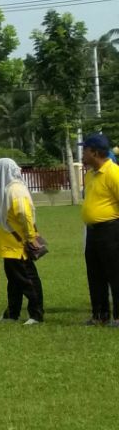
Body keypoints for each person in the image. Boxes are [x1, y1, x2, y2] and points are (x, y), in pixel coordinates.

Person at [0, 158, 44, 325]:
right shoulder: (9, 189)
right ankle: (12, 313)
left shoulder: (16, 190)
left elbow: (24, 214)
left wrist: (30, 237)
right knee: (14, 281)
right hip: (9, 245)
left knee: (27, 280)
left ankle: (36, 314)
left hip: (17, 245)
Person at [80, 132, 119, 326]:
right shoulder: (90, 175)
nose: (82, 154)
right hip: (93, 231)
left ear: (95, 152)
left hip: (111, 230)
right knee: (95, 274)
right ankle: (100, 314)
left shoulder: (113, 173)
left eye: (85, 150)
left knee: (115, 273)